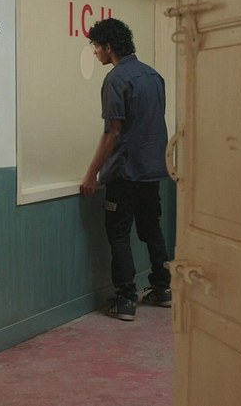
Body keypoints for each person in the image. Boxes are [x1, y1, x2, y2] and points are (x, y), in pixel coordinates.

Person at [79, 17, 173, 321]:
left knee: (118, 234)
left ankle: (126, 299)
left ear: (108, 47)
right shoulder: (154, 76)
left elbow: (113, 132)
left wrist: (91, 173)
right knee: (151, 228)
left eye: (96, 46)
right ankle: (163, 288)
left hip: (125, 172)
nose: (95, 52)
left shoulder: (116, 80)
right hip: (152, 171)